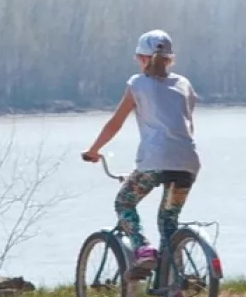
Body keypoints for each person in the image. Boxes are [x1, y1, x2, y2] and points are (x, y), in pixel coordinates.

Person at [81, 30, 200, 280]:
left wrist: (94, 150)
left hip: (154, 162)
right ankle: (174, 288)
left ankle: (143, 250)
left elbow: (116, 123)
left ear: (143, 59)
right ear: (169, 59)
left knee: (124, 203)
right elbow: (188, 125)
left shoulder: (137, 84)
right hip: (188, 162)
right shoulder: (184, 84)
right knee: (169, 223)